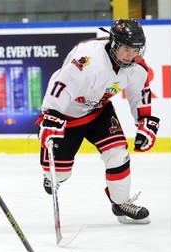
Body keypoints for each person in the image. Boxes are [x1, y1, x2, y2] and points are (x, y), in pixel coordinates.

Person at [36, 19, 160, 224]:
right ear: (114, 44)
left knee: (118, 154)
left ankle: (120, 204)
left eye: (135, 49)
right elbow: (62, 85)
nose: (131, 55)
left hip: (98, 112)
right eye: (126, 49)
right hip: (66, 115)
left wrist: (144, 121)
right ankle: (53, 176)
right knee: (58, 174)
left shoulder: (137, 67)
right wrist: (52, 114)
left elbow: (139, 96)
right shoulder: (89, 58)